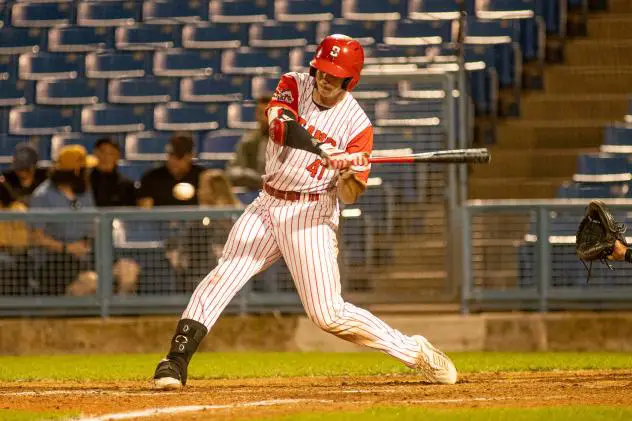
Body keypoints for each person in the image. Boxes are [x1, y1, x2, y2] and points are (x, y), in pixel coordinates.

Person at [153, 34, 457, 389]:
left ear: (350, 79)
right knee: (224, 275)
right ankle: (175, 359)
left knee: (327, 315)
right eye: (322, 71)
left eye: (335, 74)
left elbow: (351, 194)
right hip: (268, 204)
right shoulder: (294, 84)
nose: (326, 80)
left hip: (311, 215)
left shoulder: (358, 126)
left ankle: (415, 352)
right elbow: (280, 128)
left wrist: (347, 172)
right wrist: (323, 149)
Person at [29, 145, 138, 296]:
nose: (88, 172)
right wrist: (67, 247)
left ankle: (117, 315)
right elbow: (36, 237)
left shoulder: (84, 191)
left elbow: (93, 223)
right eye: (85, 169)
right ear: (76, 172)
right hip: (55, 263)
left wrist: (91, 242)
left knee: (128, 270)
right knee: (91, 282)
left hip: (87, 256)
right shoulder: (42, 196)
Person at [166, 169, 242, 292]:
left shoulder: (233, 213)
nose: (199, 191)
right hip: (210, 268)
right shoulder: (201, 216)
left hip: (221, 269)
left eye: (203, 187)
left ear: (214, 190)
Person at [136, 133, 205, 208]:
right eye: (171, 155)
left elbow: (210, 207)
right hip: (160, 219)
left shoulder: (203, 177)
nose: (174, 160)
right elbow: (145, 212)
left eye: (179, 156)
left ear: (190, 156)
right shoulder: (151, 177)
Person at [225, 95, 271, 190]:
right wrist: (255, 179)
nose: (261, 118)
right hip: (255, 191)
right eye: (259, 113)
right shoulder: (249, 141)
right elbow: (233, 171)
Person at [90, 138, 136, 207]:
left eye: (111, 153)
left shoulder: (127, 186)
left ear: (117, 156)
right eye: (102, 152)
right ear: (95, 154)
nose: (106, 157)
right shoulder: (85, 183)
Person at [0, 143, 48, 208]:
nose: (23, 174)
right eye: (19, 169)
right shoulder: (6, 181)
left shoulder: (45, 181)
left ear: (35, 167)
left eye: (27, 169)